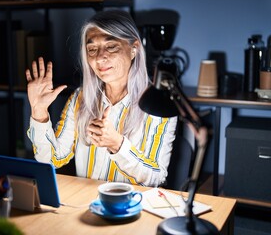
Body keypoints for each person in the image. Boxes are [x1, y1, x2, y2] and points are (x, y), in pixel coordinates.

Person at [25, 10, 177, 187]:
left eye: (111, 46)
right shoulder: (80, 98)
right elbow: (52, 159)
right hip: (86, 205)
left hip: (131, 208)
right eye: (92, 49)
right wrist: (39, 112)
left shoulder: (158, 104)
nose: (100, 57)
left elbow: (155, 177)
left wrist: (117, 145)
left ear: (134, 49)